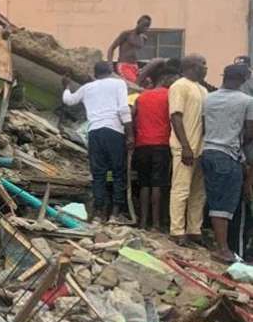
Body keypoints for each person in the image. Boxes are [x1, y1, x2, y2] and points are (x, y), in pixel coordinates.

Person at [62, 61, 134, 223]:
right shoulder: (118, 83)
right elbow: (123, 109)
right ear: (110, 71)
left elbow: (69, 100)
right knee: (118, 172)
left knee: (98, 174)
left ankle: (98, 213)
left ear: (95, 74)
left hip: (94, 132)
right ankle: (116, 213)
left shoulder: (87, 88)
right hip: (113, 131)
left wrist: (66, 86)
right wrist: (130, 134)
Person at [200, 64, 253, 263]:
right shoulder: (247, 101)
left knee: (214, 199)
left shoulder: (209, 98)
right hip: (228, 155)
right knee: (225, 204)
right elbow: (249, 132)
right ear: (243, 79)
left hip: (208, 152)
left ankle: (221, 246)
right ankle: (223, 249)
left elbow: (204, 126)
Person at [132, 59, 181, 231]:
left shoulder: (141, 96)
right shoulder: (170, 96)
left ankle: (144, 222)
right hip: (161, 144)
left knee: (144, 184)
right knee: (158, 184)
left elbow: (132, 117)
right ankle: (156, 224)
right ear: (167, 79)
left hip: (142, 145)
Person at [169, 55, 211, 245]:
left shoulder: (203, 89)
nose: (206, 67)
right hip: (184, 148)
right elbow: (176, 117)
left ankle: (194, 230)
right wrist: (186, 146)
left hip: (201, 149)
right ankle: (176, 231)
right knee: (181, 190)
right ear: (191, 66)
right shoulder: (180, 86)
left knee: (198, 193)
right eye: (203, 64)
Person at [107, 15, 152, 83]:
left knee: (148, 82)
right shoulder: (127, 34)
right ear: (138, 23)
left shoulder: (143, 38)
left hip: (135, 66)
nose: (144, 28)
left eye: (147, 26)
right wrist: (110, 64)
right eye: (143, 25)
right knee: (134, 83)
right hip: (124, 65)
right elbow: (112, 48)